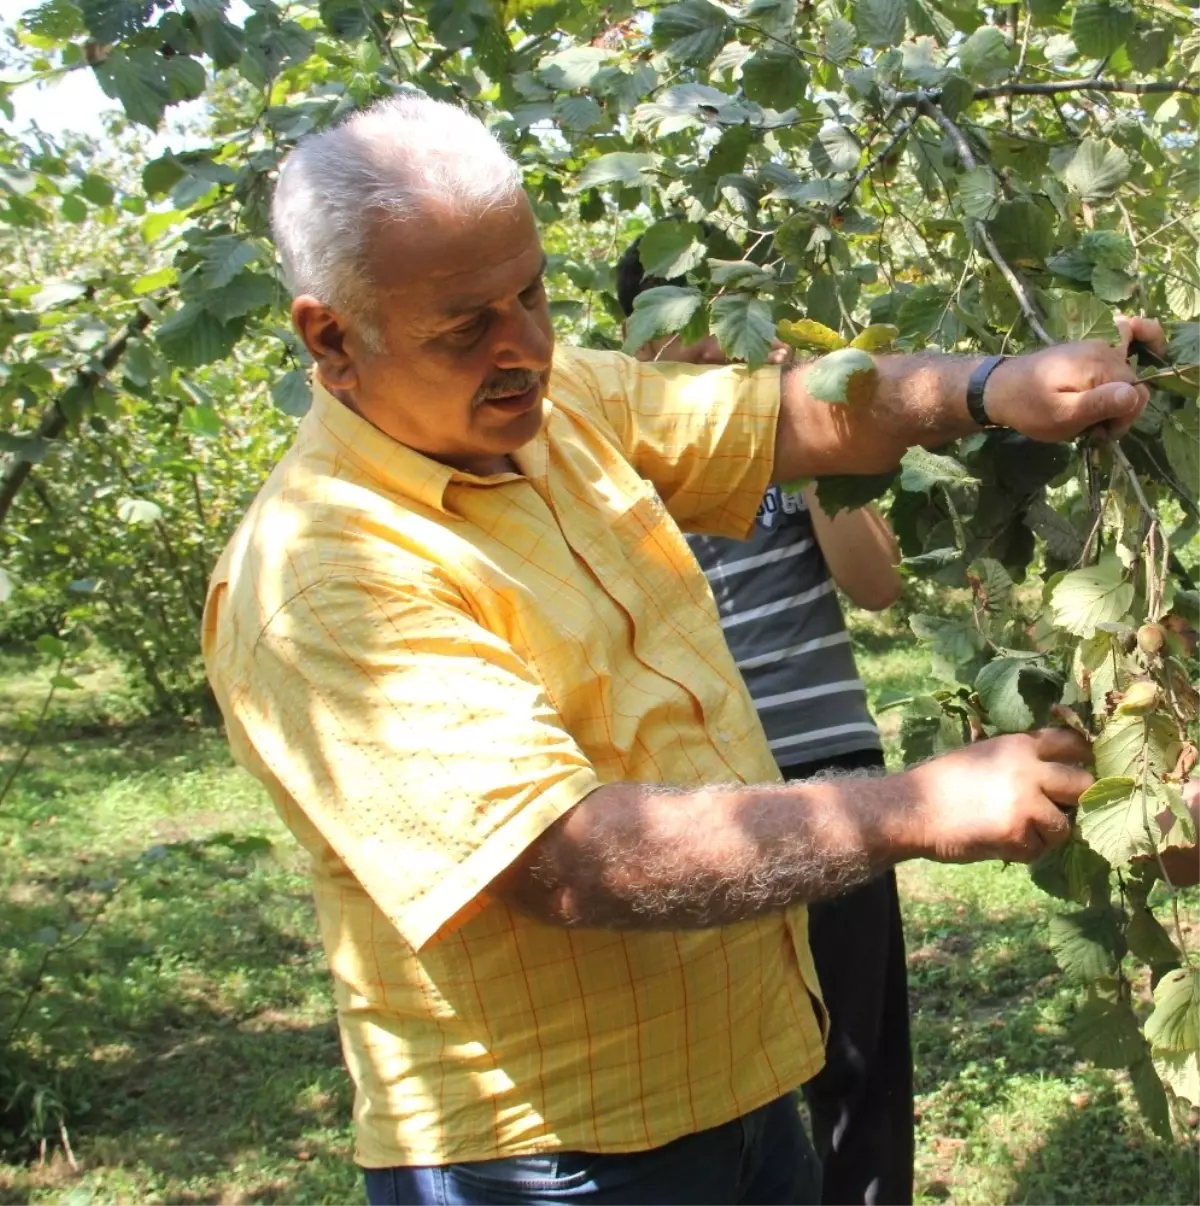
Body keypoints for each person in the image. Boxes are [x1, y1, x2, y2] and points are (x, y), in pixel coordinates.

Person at [202, 93, 1167, 1206]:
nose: (525, 347)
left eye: (533, 294)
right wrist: (914, 807)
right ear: (330, 337)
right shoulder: (323, 577)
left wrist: (989, 386)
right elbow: (569, 859)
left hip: (743, 1081)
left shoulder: (559, 405)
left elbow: (787, 416)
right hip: (553, 1156)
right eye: (466, 325)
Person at [618, 241, 911, 1206]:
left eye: (726, 317)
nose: (708, 346)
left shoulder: (785, 456)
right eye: (681, 322)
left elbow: (877, 586)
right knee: (720, 1072)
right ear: (632, 343)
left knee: (856, 1064)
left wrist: (815, 429)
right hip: (693, 811)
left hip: (827, 781)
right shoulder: (605, 481)